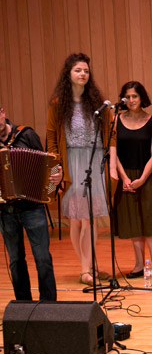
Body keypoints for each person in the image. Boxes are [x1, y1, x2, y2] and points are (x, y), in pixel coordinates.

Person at [46, 52, 111, 286]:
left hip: (93, 161)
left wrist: (109, 160)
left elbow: (109, 133)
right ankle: (86, 268)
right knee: (76, 219)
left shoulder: (96, 102)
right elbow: (52, 138)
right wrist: (58, 167)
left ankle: (89, 266)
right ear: (68, 74)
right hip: (70, 163)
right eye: (78, 70)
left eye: (85, 70)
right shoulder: (58, 105)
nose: (83, 74)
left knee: (89, 218)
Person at [0, 105, 61, 301]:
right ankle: (23, 305)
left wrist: (56, 177)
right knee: (15, 260)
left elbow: (48, 164)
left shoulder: (26, 135)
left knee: (42, 257)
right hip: (5, 210)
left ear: (3, 112)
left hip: (32, 207)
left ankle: (49, 306)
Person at [110, 81, 152, 279]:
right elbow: (113, 151)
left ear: (142, 97)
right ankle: (138, 265)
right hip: (126, 175)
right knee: (133, 221)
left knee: (151, 223)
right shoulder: (115, 120)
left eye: (135, 96)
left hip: (148, 176)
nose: (132, 100)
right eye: (128, 97)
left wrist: (143, 178)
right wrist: (124, 178)